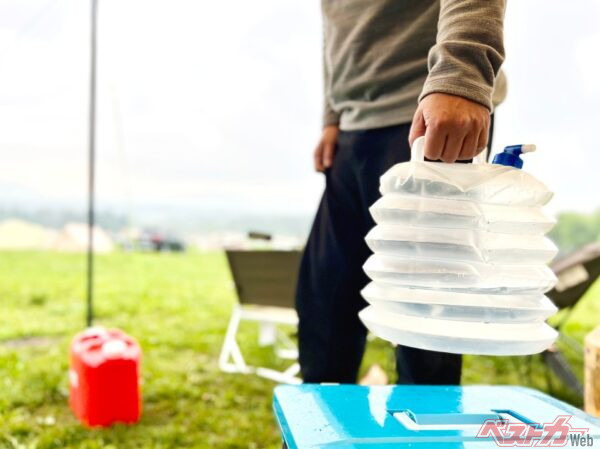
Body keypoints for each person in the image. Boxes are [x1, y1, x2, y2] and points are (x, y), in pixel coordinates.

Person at [296, 0, 507, 384]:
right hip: (351, 126)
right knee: (323, 306)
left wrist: (461, 73)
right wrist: (331, 116)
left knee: (424, 326)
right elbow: (335, 23)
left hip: (428, 114)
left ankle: (425, 441)